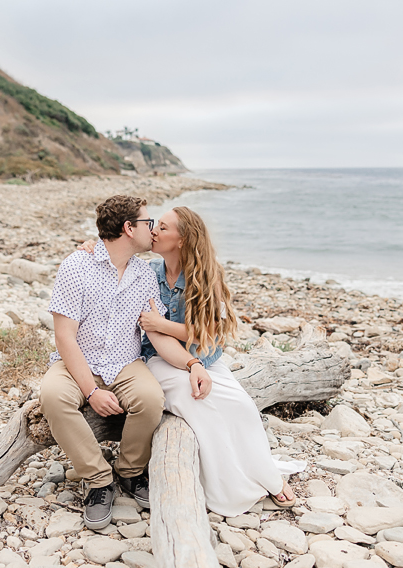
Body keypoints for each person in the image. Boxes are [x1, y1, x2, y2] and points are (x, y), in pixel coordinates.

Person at [80, 206, 305, 517]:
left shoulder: (205, 275)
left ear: (182, 240)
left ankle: (267, 474)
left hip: (204, 359)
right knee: (200, 405)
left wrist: (162, 325)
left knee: (241, 406)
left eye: (163, 227)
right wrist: (91, 246)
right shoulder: (149, 273)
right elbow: (112, 255)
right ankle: (228, 485)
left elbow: (211, 330)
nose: (154, 231)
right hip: (159, 358)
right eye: (154, 225)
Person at [38, 195, 204, 530]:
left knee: (151, 398)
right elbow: (65, 337)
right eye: (147, 223)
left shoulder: (145, 275)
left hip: (125, 363)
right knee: (52, 396)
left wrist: (192, 365)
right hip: (76, 362)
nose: (153, 229)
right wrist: (90, 391)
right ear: (129, 229)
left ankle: (130, 471)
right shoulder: (76, 266)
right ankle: (99, 481)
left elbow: (156, 335)